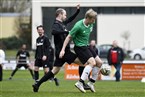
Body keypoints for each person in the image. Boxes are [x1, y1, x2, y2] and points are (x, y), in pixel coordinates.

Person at [32, 4, 80, 92]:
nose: (66, 16)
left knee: (53, 71)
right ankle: (82, 82)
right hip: (64, 52)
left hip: (60, 53)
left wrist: (77, 11)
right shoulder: (56, 24)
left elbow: (70, 19)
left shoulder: (62, 23)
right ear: (60, 14)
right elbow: (53, 32)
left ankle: (37, 84)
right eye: (64, 14)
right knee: (83, 62)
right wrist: (65, 31)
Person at [59, 9, 103, 93]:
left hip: (86, 46)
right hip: (79, 47)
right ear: (88, 18)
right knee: (92, 63)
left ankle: (91, 83)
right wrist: (63, 49)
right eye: (93, 19)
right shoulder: (78, 26)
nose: (94, 21)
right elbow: (68, 37)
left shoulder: (91, 23)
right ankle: (80, 82)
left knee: (99, 63)